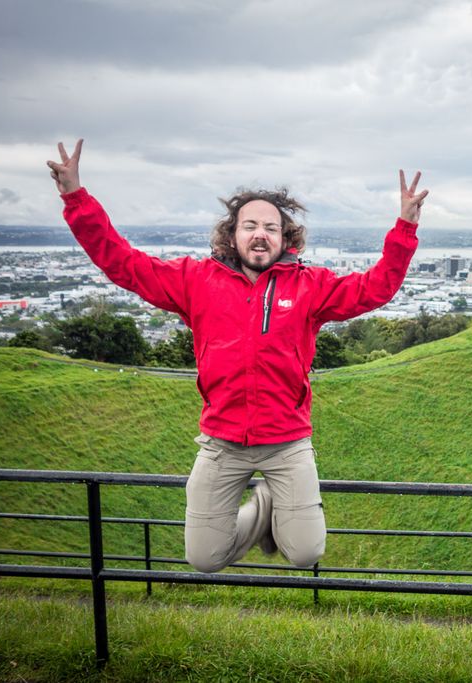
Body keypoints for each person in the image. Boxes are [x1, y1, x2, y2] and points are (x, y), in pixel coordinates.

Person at [47, 139, 427, 572]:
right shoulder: (195, 281)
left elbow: (375, 287)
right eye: (250, 226)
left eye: (270, 227)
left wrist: (404, 226)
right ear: (233, 234)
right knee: (204, 559)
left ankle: (271, 499)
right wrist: (75, 197)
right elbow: (122, 263)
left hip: (287, 442)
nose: (260, 234)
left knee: (305, 553)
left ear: (286, 238)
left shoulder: (310, 286)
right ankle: (265, 507)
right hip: (221, 442)